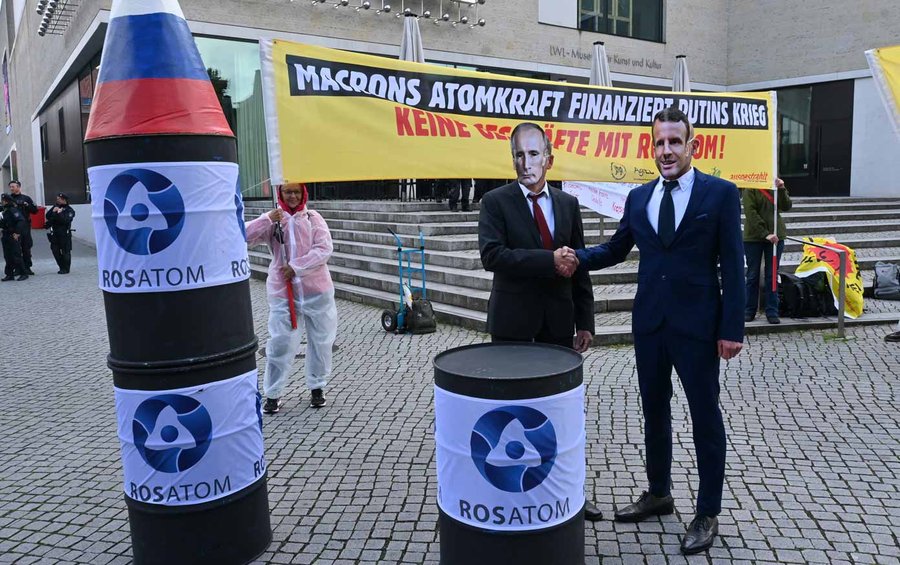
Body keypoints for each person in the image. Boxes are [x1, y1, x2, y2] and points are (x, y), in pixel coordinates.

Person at [572, 107, 745, 554]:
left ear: (693, 145)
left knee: (705, 416)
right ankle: (659, 492)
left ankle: (707, 511)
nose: (666, 151)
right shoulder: (639, 197)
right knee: (654, 411)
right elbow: (616, 248)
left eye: (674, 142)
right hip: (649, 324)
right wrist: (576, 257)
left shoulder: (721, 194)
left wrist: (732, 329)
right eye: (659, 143)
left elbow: (734, 265)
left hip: (698, 327)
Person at [478, 121, 601, 521]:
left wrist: (586, 320)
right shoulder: (495, 202)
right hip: (512, 322)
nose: (525, 162)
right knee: (511, 412)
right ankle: (512, 495)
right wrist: (547, 261)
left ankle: (568, 493)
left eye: (533, 154)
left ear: (549, 158)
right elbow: (492, 256)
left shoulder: (567, 204)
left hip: (558, 322)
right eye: (518, 154)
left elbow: (579, 264)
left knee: (559, 411)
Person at [245, 183, 338, 413]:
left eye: (297, 191)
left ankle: (317, 386)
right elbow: (243, 235)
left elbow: (324, 249)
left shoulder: (314, 218)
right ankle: (273, 393)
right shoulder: (275, 220)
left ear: (304, 193)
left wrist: (296, 267)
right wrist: (267, 218)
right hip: (282, 293)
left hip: (317, 290)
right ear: (281, 193)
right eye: (288, 192)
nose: (293, 196)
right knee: (280, 342)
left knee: (321, 342)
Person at [743, 178, 792, 324]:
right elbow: (750, 212)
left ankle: (772, 311)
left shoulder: (774, 186)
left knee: (772, 275)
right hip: (753, 238)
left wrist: (782, 189)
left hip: (776, 237)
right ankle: (749, 310)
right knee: (752, 275)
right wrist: (765, 233)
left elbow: (786, 206)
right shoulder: (750, 187)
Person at [8, 181, 37, 276]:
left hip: (25, 227)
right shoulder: (8, 199)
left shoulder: (26, 198)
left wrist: (27, 205)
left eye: (13, 186)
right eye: (10, 187)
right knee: (14, 249)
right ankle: (17, 268)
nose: (11, 188)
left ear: (18, 187)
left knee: (26, 247)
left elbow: (35, 211)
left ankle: (27, 267)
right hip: (13, 227)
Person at [45, 193, 76, 274]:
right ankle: (61, 266)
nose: (57, 200)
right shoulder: (55, 207)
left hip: (64, 233)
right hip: (55, 233)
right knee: (55, 250)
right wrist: (54, 210)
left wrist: (59, 213)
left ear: (64, 200)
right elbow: (48, 216)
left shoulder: (70, 210)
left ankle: (66, 268)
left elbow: (65, 220)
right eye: (57, 198)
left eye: (59, 199)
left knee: (65, 251)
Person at [0, 193, 28, 281]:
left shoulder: (12, 210)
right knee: (7, 256)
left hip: (13, 235)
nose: (2, 202)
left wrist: (17, 232)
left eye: (3, 200)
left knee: (16, 255)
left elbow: (21, 221)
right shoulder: (5, 210)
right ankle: (9, 274)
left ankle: (23, 273)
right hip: (5, 234)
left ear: (6, 201)